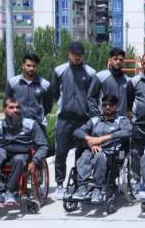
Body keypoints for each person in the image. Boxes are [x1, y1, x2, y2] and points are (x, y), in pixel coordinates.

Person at [50, 41, 96, 199]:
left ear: (83, 55)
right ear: (69, 54)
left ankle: (78, 182)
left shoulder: (90, 72)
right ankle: (60, 185)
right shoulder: (59, 70)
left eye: (80, 55)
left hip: (83, 120)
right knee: (61, 153)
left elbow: (93, 97)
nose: (77, 57)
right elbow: (54, 93)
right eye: (74, 54)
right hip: (64, 119)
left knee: (82, 153)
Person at [72, 95, 132, 204]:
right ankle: (82, 187)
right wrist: (90, 140)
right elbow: (78, 131)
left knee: (100, 157)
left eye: (111, 105)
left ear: (116, 107)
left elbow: (127, 132)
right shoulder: (95, 120)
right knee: (84, 156)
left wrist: (101, 139)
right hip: (92, 149)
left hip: (110, 152)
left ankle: (97, 188)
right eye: (104, 105)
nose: (107, 107)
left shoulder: (121, 120)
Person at [0, 98, 48, 205]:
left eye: (18, 107)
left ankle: (10, 191)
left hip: (23, 153)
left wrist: (35, 161)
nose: (15, 110)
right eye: (11, 107)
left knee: (18, 160)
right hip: (4, 151)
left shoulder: (30, 124)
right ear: (4, 110)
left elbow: (43, 145)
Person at [4, 53, 52, 130]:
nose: (31, 68)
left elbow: (48, 106)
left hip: (38, 125)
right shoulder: (12, 82)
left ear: (37, 67)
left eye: (34, 66)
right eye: (28, 65)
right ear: (23, 66)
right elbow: (6, 103)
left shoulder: (45, 84)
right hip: (17, 125)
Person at [88, 48, 129, 117]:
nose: (118, 62)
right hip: (105, 120)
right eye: (115, 59)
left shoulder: (127, 80)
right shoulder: (101, 76)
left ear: (123, 61)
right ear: (110, 60)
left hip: (121, 121)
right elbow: (91, 97)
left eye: (121, 60)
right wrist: (98, 115)